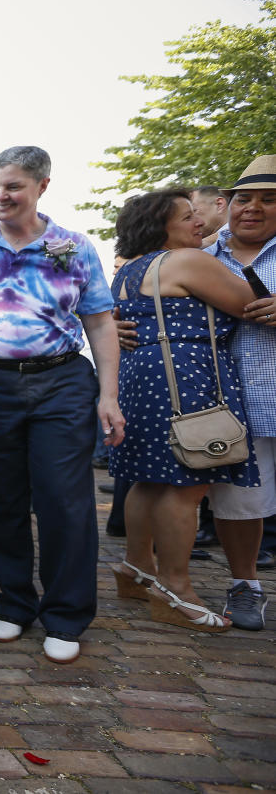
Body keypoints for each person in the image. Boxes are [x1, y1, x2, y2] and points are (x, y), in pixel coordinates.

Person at [0, 146, 124, 665]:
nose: (1, 196)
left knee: (64, 500)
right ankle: (15, 600)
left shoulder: (74, 246)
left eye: (14, 186)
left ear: (42, 186)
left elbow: (98, 323)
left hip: (62, 383)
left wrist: (108, 397)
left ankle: (66, 614)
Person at [108, 189, 258, 632]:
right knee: (190, 480)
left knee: (151, 477)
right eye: (188, 216)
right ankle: (176, 588)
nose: (200, 223)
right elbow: (249, 302)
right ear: (161, 226)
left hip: (142, 372)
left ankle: (137, 566)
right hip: (186, 372)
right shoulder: (187, 261)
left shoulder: (128, 271)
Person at [203, 154, 276, 631]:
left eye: (268, 199)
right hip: (229, 402)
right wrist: (126, 328)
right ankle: (244, 585)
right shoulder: (199, 257)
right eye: (243, 198)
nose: (252, 208)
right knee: (239, 502)